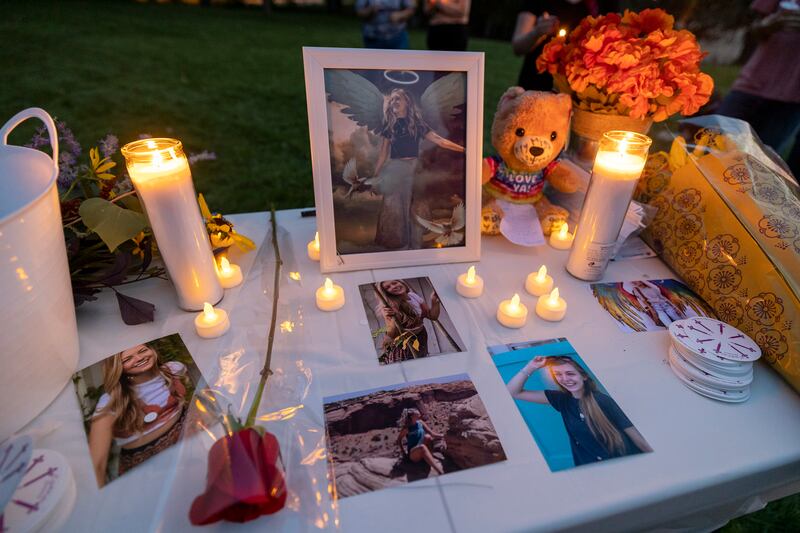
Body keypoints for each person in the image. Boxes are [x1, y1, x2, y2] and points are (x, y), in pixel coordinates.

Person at [507, 355, 652, 466]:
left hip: (622, 466)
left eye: (570, 373)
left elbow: (638, 438)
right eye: (558, 374)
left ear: (583, 376)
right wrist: (531, 367)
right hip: (589, 471)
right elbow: (513, 392)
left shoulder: (603, 401)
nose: (564, 379)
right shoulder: (561, 399)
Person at [372, 88, 465, 249]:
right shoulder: (389, 126)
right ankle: (396, 245)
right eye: (392, 99)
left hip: (413, 169)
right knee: (394, 206)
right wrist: (375, 176)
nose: (394, 102)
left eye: (398, 99)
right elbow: (383, 154)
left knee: (415, 205)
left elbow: (440, 140)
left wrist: (464, 150)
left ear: (407, 102)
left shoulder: (417, 124)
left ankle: (415, 245)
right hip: (395, 170)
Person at [717, 0, 800, 177]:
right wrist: (768, 25)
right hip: (751, 83)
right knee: (711, 143)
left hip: (793, 97)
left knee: (757, 167)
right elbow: (752, 29)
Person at [88, 343, 190, 487]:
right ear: (118, 368)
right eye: (128, 359)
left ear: (152, 350)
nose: (139, 358)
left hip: (189, 443)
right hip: (148, 466)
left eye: (142, 350)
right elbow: (97, 464)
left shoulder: (173, 369)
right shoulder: (111, 400)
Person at [512, 0, 618, 91]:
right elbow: (518, 47)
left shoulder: (603, 3)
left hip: (578, 93)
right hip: (536, 85)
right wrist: (537, 32)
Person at [376, 279, 441, 363]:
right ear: (387, 293)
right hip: (405, 342)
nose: (393, 286)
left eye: (394, 283)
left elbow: (432, 316)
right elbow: (392, 331)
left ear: (401, 282)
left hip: (421, 336)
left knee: (421, 361)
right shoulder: (392, 306)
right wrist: (389, 317)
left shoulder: (413, 296)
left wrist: (434, 301)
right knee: (409, 364)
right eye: (388, 287)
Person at [397, 407, 444, 474]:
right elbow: (399, 440)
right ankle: (440, 472)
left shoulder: (420, 423)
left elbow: (432, 433)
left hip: (422, 447)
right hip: (414, 454)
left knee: (428, 437)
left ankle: (429, 457)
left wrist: (443, 436)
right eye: (417, 414)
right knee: (422, 447)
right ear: (412, 416)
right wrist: (404, 453)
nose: (420, 415)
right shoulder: (407, 428)